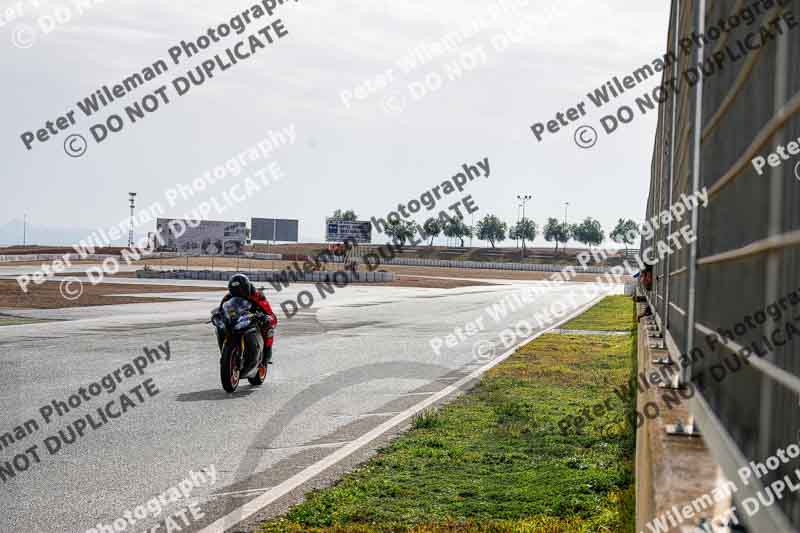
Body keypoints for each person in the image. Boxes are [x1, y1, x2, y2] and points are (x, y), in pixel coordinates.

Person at [218, 273, 278, 366]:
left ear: (246, 288)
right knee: (220, 327)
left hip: (254, 319)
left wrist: (266, 317)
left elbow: (270, 314)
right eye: (235, 292)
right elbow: (221, 311)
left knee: (268, 326)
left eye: (241, 291)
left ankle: (267, 352)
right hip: (236, 320)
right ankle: (225, 354)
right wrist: (218, 317)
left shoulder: (258, 296)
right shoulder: (228, 297)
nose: (238, 293)